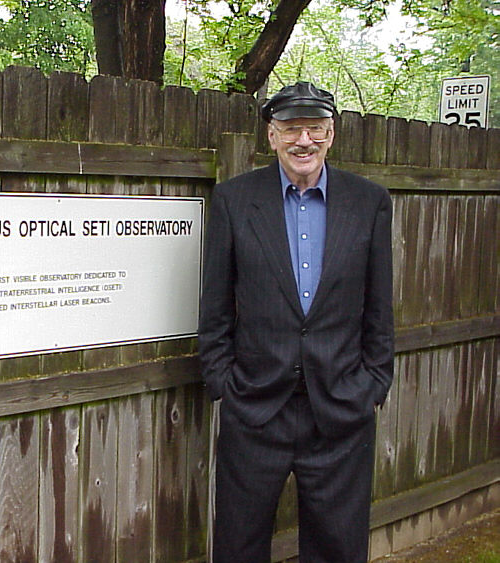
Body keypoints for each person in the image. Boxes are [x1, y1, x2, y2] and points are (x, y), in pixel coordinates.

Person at [198, 81, 394, 562]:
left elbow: (380, 305)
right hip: (256, 408)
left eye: (314, 129)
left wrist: (372, 384)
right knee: (238, 547)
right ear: (272, 135)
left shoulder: (369, 202)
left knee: (338, 549)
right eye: (290, 129)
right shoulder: (234, 201)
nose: (302, 140)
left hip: (341, 410)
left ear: (330, 133)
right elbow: (215, 306)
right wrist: (224, 381)